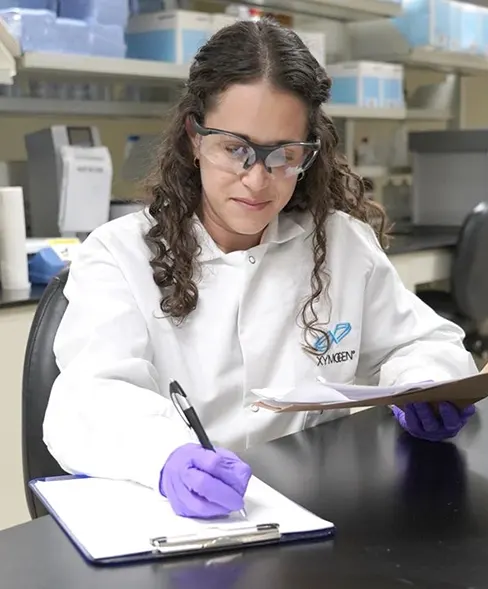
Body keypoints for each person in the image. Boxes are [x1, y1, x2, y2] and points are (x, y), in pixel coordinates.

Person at [43, 19, 478, 520]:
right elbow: (91, 396)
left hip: (314, 511)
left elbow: (423, 343)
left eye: (283, 154)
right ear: (194, 137)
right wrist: (167, 460)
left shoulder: (339, 245)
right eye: (235, 148)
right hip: (168, 520)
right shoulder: (119, 255)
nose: (257, 179)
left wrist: (425, 387)